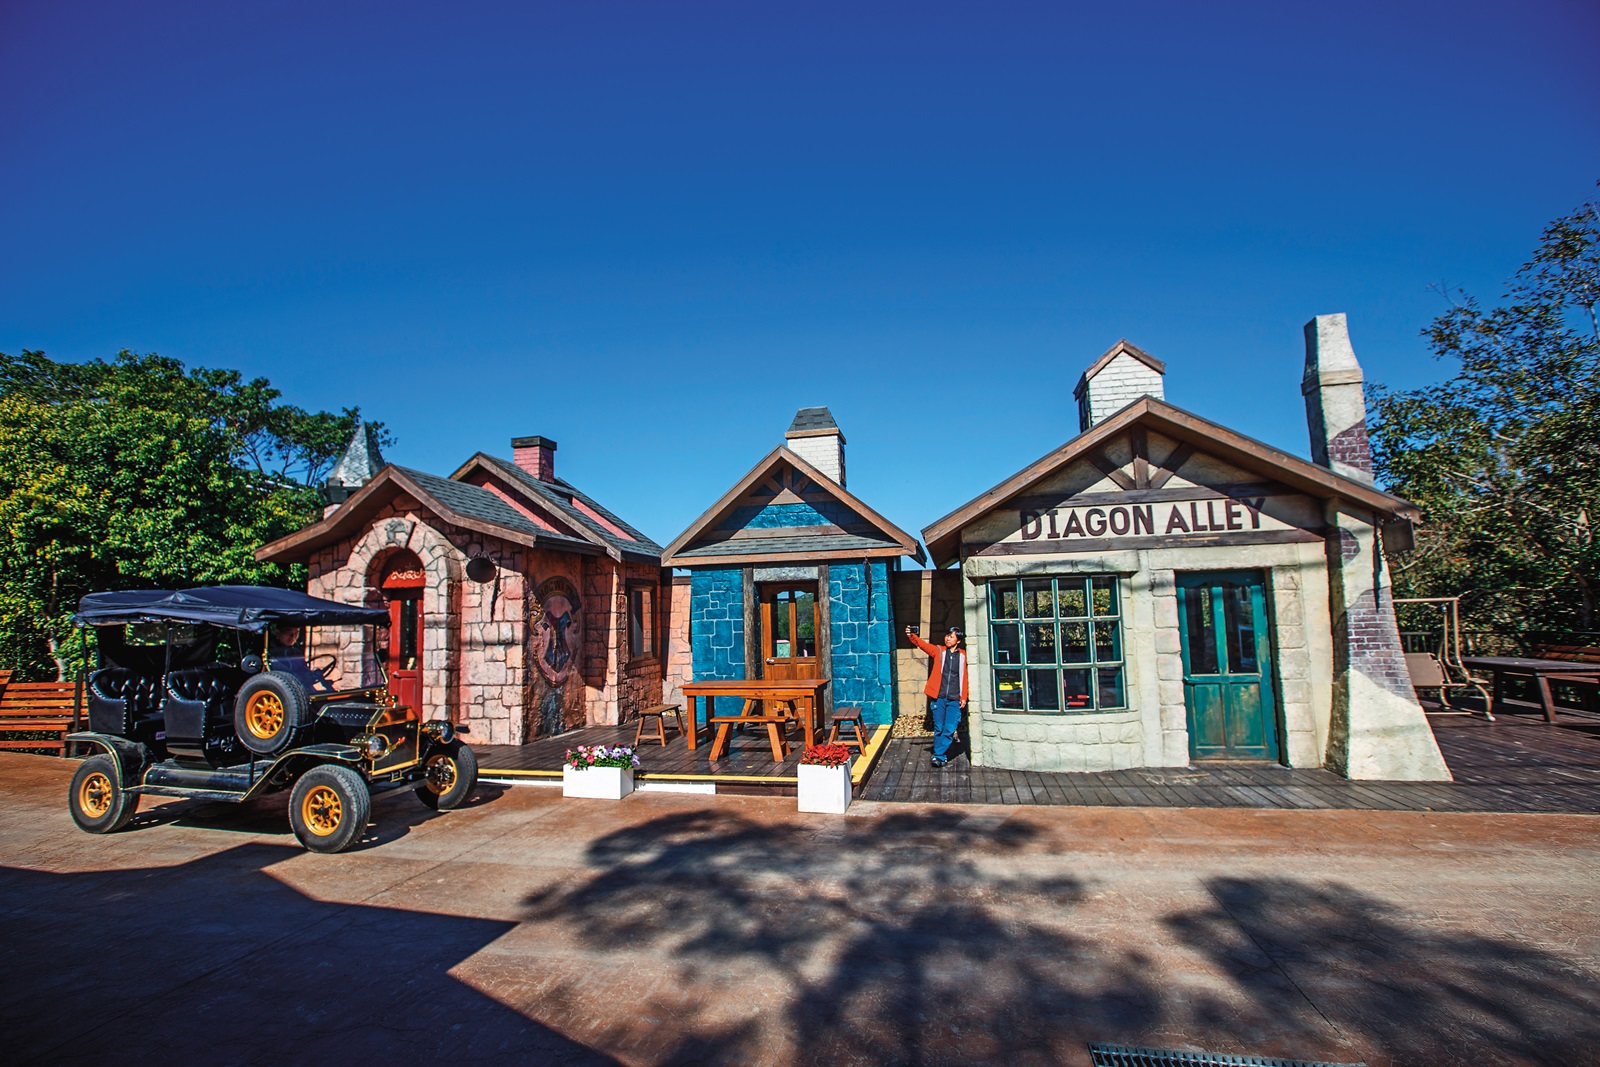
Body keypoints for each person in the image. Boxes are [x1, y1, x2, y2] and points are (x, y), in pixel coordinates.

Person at [907, 624, 967, 768]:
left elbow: (965, 678)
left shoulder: (963, 656)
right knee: (939, 727)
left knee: (949, 728)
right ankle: (940, 756)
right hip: (939, 697)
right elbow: (923, 646)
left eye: (951, 637)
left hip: (954, 699)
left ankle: (938, 754)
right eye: (947, 636)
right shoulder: (939, 651)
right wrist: (911, 635)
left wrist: (964, 696)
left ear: (958, 640)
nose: (948, 639)